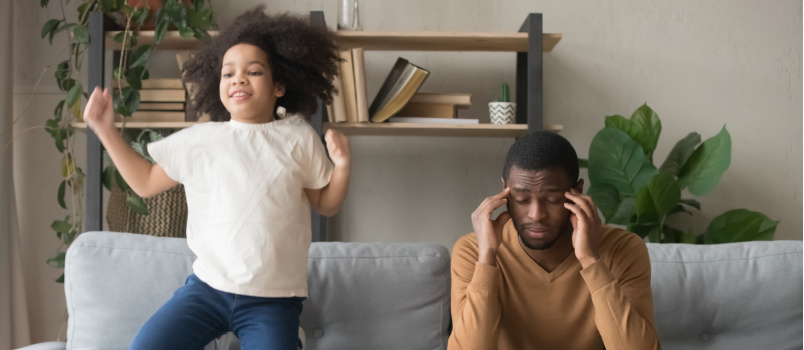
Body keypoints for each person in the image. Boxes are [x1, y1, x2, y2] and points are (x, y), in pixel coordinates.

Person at [83, 8, 349, 350]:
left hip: (273, 299)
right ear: (217, 84)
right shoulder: (202, 139)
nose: (239, 79)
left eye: (254, 71)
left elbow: (326, 204)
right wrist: (105, 130)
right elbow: (145, 182)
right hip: (207, 291)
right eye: (228, 73)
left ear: (279, 86)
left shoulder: (298, 138)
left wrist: (342, 167)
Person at [448, 131, 661, 349]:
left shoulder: (623, 249)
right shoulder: (473, 251)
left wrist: (590, 259)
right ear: (505, 192)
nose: (536, 215)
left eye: (552, 199)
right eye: (522, 199)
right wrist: (487, 258)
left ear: (578, 192)